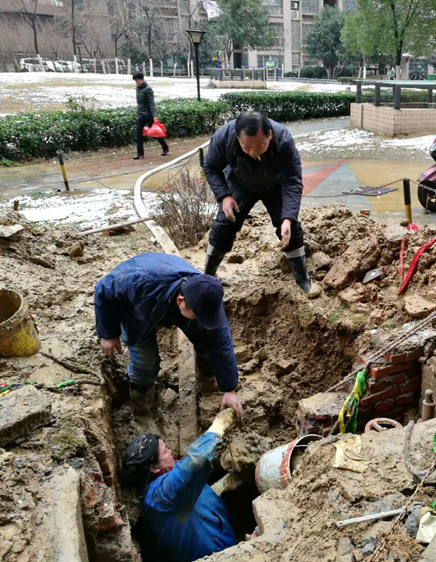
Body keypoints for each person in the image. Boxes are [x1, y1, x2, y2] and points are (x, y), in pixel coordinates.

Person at [95, 253, 243, 431]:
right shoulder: (137, 282)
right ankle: (141, 413)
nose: (205, 321)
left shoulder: (205, 296)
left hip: (168, 293)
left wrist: (229, 389)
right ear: (181, 301)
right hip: (139, 305)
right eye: (199, 316)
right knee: (145, 361)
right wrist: (108, 334)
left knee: (206, 337)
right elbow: (103, 289)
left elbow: (221, 343)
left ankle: (207, 379)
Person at [202, 111, 320, 297]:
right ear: (238, 137)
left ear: (269, 135)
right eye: (246, 147)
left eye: (259, 146)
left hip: (275, 186)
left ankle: (302, 278)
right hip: (240, 184)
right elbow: (210, 167)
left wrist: (288, 218)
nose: (253, 152)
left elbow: (292, 180)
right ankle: (208, 275)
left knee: (290, 229)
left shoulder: (283, 140)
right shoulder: (224, 137)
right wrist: (224, 195)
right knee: (224, 224)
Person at [124, 409, 241, 562]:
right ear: (153, 468)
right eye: (165, 450)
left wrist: (219, 488)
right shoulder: (161, 494)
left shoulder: (163, 491)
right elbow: (198, 460)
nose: (170, 451)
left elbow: (187, 504)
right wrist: (217, 427)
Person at [133, 72, 168, 160]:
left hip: (149, 115)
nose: (136, 82)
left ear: (141, 79)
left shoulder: (148, 89)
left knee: (155, 133)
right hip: (140, 114)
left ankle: (165, 147)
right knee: (139, 134)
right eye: (135, 80)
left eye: (137, 80)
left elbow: (151, 103)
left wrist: (154, 115)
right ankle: (140, 153)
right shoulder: (137, 89)